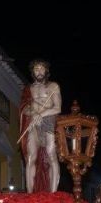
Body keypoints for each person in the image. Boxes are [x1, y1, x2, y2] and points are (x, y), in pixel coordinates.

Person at [19, 59, 62, 193]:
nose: (39, 71)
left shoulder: (53, 86)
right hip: (33, 122)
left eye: (41, 69)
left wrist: (41, 114)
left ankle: (53, 193)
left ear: (46, 71)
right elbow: (24, 108)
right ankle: (30, 193)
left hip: (49, 120)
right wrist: (33, 113)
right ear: (33, 72)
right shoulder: (28, 89)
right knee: (31, 157)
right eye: (36, 69)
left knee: (51, 155)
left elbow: (57, 108)